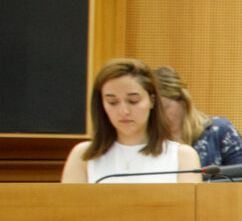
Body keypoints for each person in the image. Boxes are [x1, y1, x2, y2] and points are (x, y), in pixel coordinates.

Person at [61, 58, 201, 183]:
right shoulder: (83, 155)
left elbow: (189, 211)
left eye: (133, 101)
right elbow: (67, 210)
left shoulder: (182, 156)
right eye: (112, 102)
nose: (124, 111)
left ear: (152, 101)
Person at [154, 66, 242, 167]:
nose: (157, 115)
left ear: (183, 102)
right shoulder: (145, 141)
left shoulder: (221, 131)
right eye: (153, 110)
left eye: (163, 108)